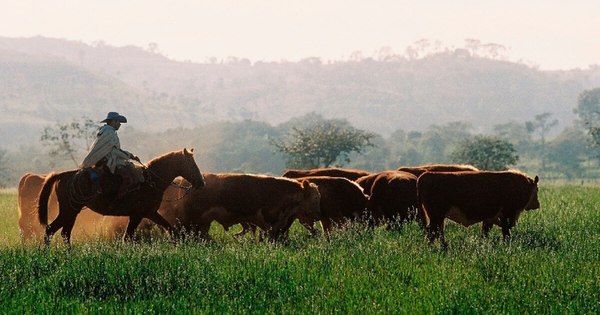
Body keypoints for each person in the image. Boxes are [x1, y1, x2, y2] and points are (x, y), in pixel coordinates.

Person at [80, 112, 143, 198]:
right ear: (113, 121)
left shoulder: (108, 131)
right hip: (108, 161)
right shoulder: (109, 132)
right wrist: (129, 156)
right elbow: (114, 151)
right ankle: (120, 196)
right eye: (118, 121)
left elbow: (114, 149)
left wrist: (130, 155)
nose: (120, 124)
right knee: (127, 174)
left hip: (109, 159)